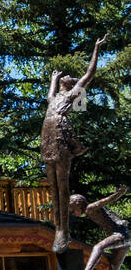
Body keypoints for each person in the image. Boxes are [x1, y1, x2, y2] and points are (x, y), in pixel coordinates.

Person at [42, 35, 106, 252]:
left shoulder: (70, 96)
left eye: (68, 77)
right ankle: (57, 227)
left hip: (59, 136)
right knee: (53, 187)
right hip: (48, 136)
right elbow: (50, 93)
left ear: (70, 85)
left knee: (62, 187)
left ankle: (63, 231)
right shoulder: (55, 98)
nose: (67, 76)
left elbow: (89, 74)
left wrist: (96, 48)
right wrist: (53, 77)